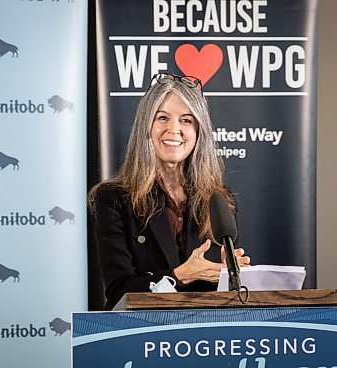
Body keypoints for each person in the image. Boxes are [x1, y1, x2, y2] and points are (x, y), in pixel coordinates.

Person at [89, 73, 250, 309]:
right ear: (146, 127)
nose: (174, 129)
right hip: (141, 335)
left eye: (186, 120)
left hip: (206, 334)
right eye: (162, 118)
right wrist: (179, 275)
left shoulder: (218, 198)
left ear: (198, 132)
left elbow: (226, 298)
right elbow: (117, 293)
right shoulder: (114, 198)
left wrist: (231, 277)